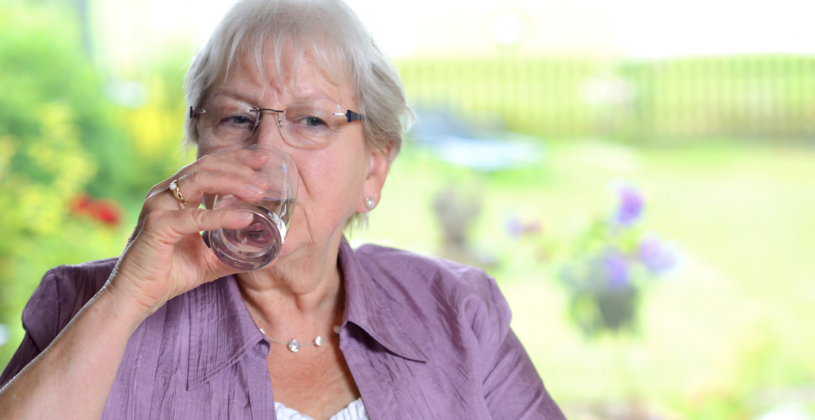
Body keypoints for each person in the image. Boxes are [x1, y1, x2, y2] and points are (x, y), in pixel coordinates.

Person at [0, 0, 566, 418]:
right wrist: (125, 300)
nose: (264, 152)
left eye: (312, 120)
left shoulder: (459, 312)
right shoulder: (84, 308)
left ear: (373, 169)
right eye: (237, 118)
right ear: (198, 144)